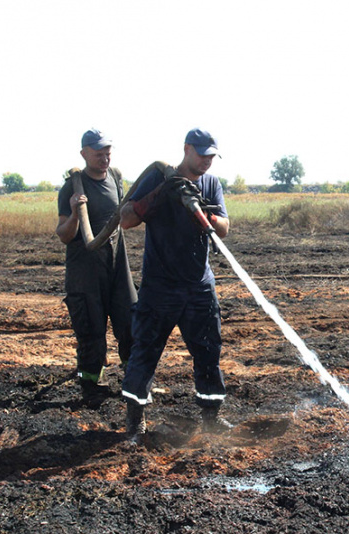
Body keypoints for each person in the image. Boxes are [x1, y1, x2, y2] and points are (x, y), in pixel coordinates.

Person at [119, 127, 230, 442]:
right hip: (160, 286)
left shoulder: (210, 184)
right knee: (146, 351)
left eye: (212, 156)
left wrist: (207, 214)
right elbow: (125, 219)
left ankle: (211, 416)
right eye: (203, 154)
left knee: (209, 350)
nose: (208, 161)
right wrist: (157, 197)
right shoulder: (158, 177)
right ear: (187, 149)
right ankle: (135, 421)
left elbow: (224, 227)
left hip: (199, 285)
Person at [56, 129, 137, 406]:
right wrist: (75, 213)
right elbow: (64, 234)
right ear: (84, 154)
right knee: (91, 330)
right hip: (85, 269)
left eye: (107, 153)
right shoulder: (72, 186)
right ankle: (91, 387)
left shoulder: (115, 178)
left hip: (117, 264)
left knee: (130, 322)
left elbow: (124, 218)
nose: (104, 158)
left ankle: (135, 380)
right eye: (98, 153)